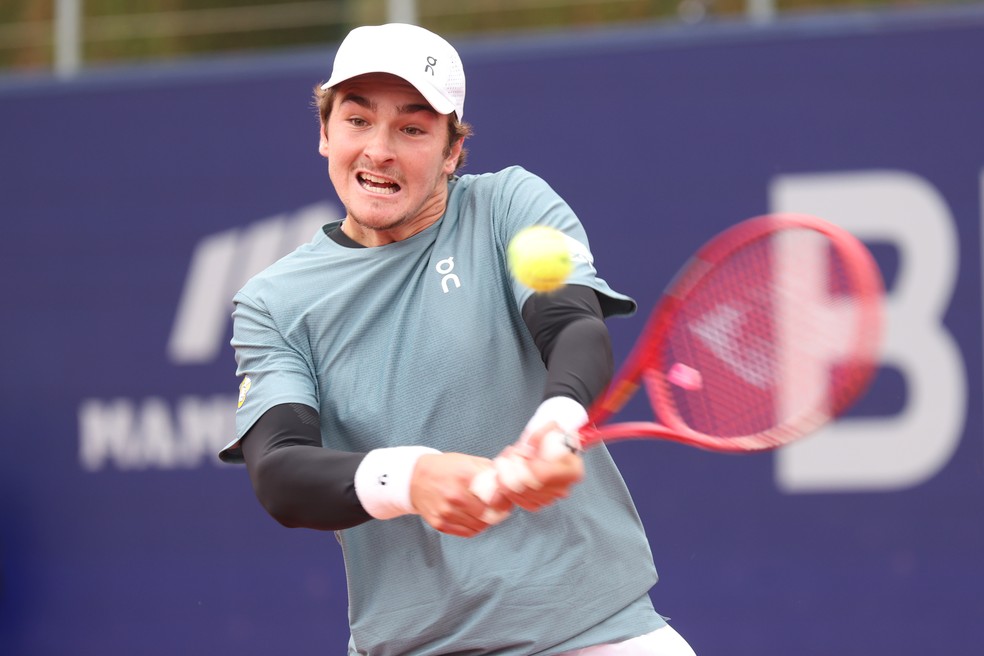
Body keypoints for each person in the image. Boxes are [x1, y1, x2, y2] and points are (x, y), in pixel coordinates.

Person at [220, 22, 696, 656]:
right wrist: (411, 477)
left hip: (601, 636)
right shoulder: (272, 303)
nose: (379, 150)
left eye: (413, 129)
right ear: (325, 133)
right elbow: (280, 473)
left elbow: (570, 322)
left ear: (451, 151)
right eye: (358, 120)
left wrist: (556, 419)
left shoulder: (509, 205)